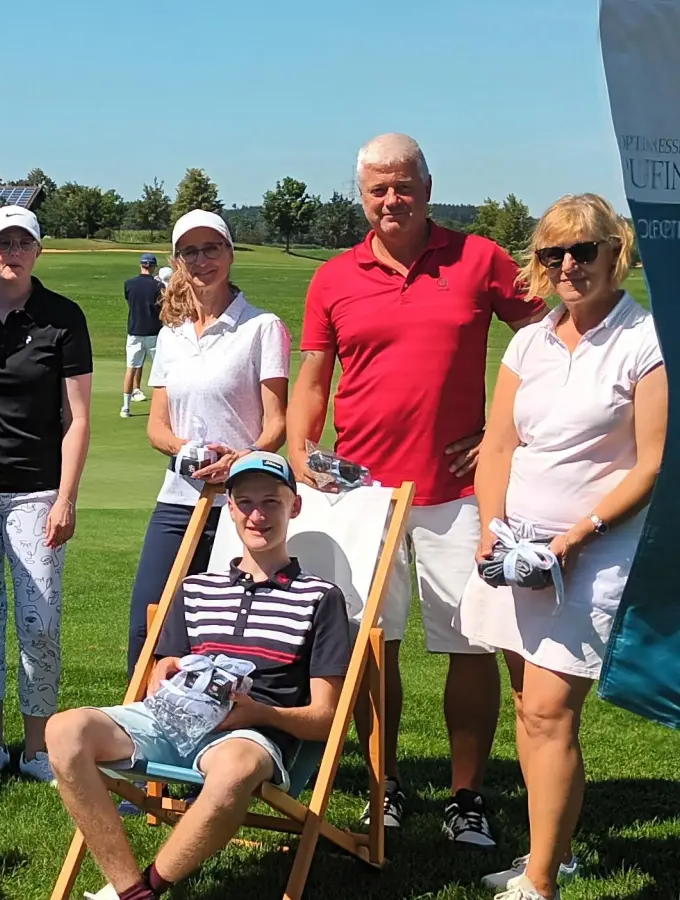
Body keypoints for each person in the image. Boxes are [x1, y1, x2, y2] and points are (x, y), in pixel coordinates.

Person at [288, 133, 546, 843]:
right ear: (361, 195)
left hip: (457, 493)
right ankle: (384, 783)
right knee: (373, 645)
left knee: (470, 644)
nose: (391, 199)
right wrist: (298, 446)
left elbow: (550, 346)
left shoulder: (479, 258)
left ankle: (466, 796)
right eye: (377, 188)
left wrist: (505, 432)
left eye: (403, 185)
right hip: (360, 495)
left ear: (427, 187)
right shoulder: (334, 276)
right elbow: (313, 375)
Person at [460, 195, 664, 900]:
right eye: (554, 253)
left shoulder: (646, 337)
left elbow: (650, 464)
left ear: (616, 253)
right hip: (516, 550)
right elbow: (499, 445)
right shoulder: (528, 341)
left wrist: (578, 538)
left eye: (584, 251)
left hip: (594, 552)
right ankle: (561, 851)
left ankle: (540, 880)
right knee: (529, 708)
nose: (570, 265)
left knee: (549, 710)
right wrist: (491, 524)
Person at [47, 453, 351, 900]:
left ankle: (140, 890)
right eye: (245, 502)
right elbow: (162, 669)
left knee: (235, 770)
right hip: (171, 722)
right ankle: (131, 890)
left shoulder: (320, 598)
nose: (257, 515)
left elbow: (327, 718)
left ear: (295, 507)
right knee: (64, 730)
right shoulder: (196, 589)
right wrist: (161, 672)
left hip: (248, 732)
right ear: (229, 509)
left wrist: (259, 712)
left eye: (272, 502)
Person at [0, 206, 92, 784]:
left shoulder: (62, 317)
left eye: (23, 242)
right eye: (3, 242)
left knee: (39, 621)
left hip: (38, 491)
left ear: (38, 250)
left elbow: (76, 418)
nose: (13, 251)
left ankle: (35, 747)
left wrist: (67, 497)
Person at [127, 210, 290, 678]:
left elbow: (276, 424)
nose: (202, 261)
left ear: (230, 253)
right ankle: (136, 728)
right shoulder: (170, 336)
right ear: (178, 261)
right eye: (190, 252)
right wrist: (185, 449)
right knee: (149, 621)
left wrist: (239, 461)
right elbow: (156, 426)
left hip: (245, 503)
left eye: (212, 249)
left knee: (229, 634)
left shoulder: (262, 327)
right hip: (179, 499)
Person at [121, 252, 162, 418]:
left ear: (141, 265)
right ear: (153, 267)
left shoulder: (129, 284)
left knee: (131, 368)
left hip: (134, 331)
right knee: (160, 371)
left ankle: (125, 408)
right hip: (153, 332)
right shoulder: (158, 286)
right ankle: (160, 410)